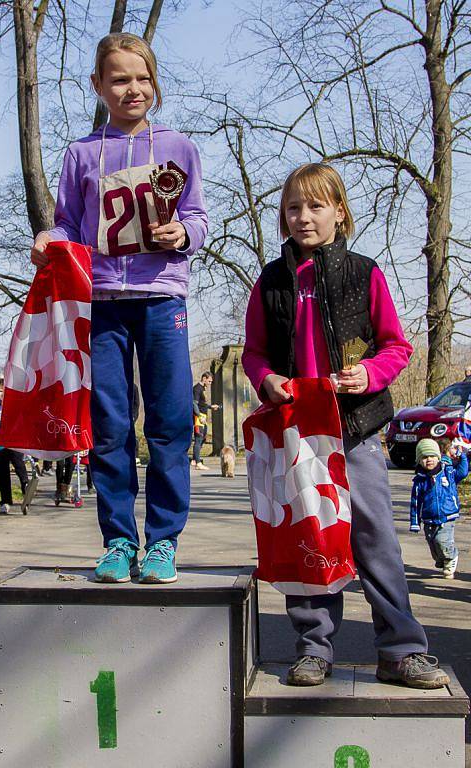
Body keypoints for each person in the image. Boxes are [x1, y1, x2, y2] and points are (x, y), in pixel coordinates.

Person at [242, 162, 448, 689]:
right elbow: (255, 353)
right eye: (292, 207)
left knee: (375, 538)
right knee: (310, 535)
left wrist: (370, 373)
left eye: (315, 206)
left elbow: (396, 347)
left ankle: (400, 649)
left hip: (354, 431)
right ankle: (314, 648)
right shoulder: (269, 282)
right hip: (297, 436)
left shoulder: (364, 272)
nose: (303, 216)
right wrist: (266, 380)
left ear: (340, 212)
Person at [31, 33, 207, 584]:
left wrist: (182, 233)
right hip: (101, 302)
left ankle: (162, 541)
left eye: (142, 77)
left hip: (162, 298)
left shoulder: (178, 146)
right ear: (98, 86)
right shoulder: (82, 153)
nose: (133, 88)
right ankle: (117, 540)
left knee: (170, 422)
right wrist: (48, 238)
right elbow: (68, 223)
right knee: (109, 424)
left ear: (155, 83)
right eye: (119, 79)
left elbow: (200, 217)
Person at [410, 438, 468, 579]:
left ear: (438, 457)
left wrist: (462, 456)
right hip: (429, 518)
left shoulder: (448, 472)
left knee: (442, 541)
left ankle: (451, 557)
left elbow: (463, 472)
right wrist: (414, 522)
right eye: (424, 457)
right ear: (419, 460)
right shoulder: (419, 481)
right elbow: (415, 503)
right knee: (434, 546)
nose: (429, 460)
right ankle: (442, 559)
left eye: (432, 456)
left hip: (447, 515)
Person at [0, 374, 28, 514]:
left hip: (14, 442)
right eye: (0, 391)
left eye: (4, 391)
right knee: (3, 474)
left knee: (20, 466)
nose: (2, 394)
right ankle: (6, 501)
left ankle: (26, 489)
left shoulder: (14, 404)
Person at [192, 371, 219, 469]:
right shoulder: (197, 389)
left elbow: (201, 403)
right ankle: (198, 463)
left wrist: (211, 407)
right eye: (209, 381)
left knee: (203, 437)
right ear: (204, 378)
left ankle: (195, 460)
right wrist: (199, 415)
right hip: (199, 417)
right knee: (199, 438)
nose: (210, 383)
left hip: (203, 416)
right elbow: (194, 403)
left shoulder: (202, 389)